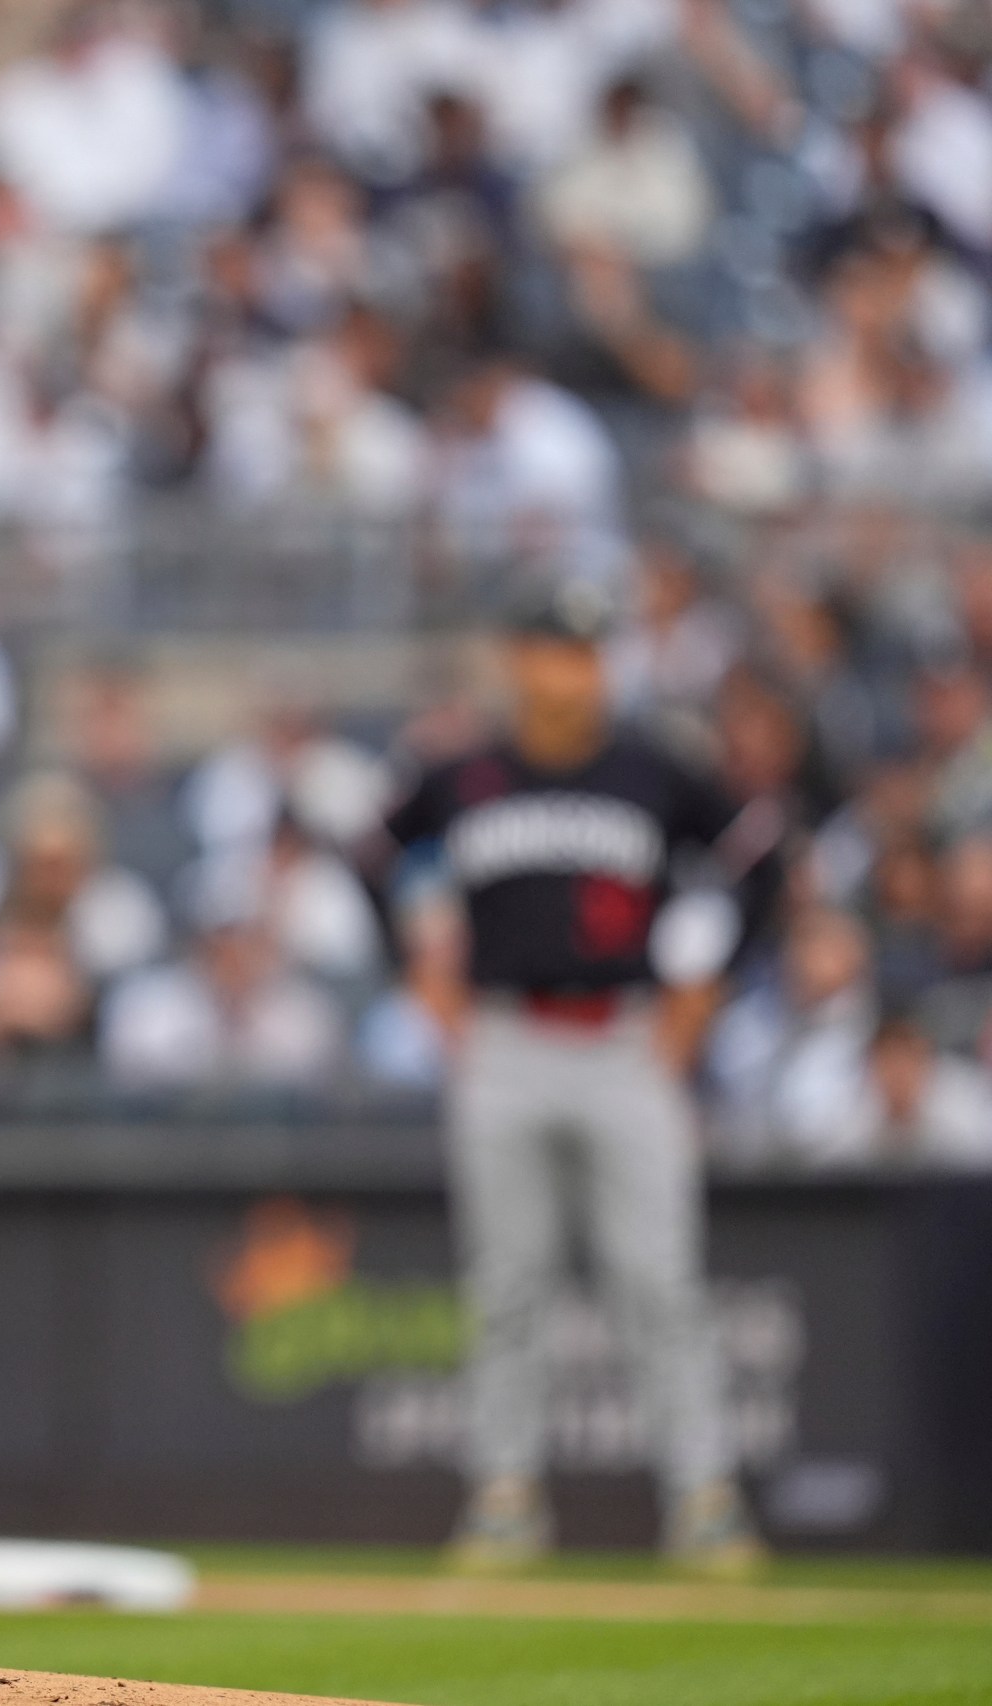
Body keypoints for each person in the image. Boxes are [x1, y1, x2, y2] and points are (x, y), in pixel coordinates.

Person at [354, 583, 784, 1577]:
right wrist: (415, 970)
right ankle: (504, 1496)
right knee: (508, 1283)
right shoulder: (462, 774)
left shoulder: (650, 767)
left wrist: (704, 991)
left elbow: (759, 852)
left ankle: (703, 1496)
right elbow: (371, 851)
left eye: (589, 652)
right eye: (556, 649)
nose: (574, 670)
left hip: (625, 1039)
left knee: (658, 1281)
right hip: (503, 1037)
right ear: (518, 658)